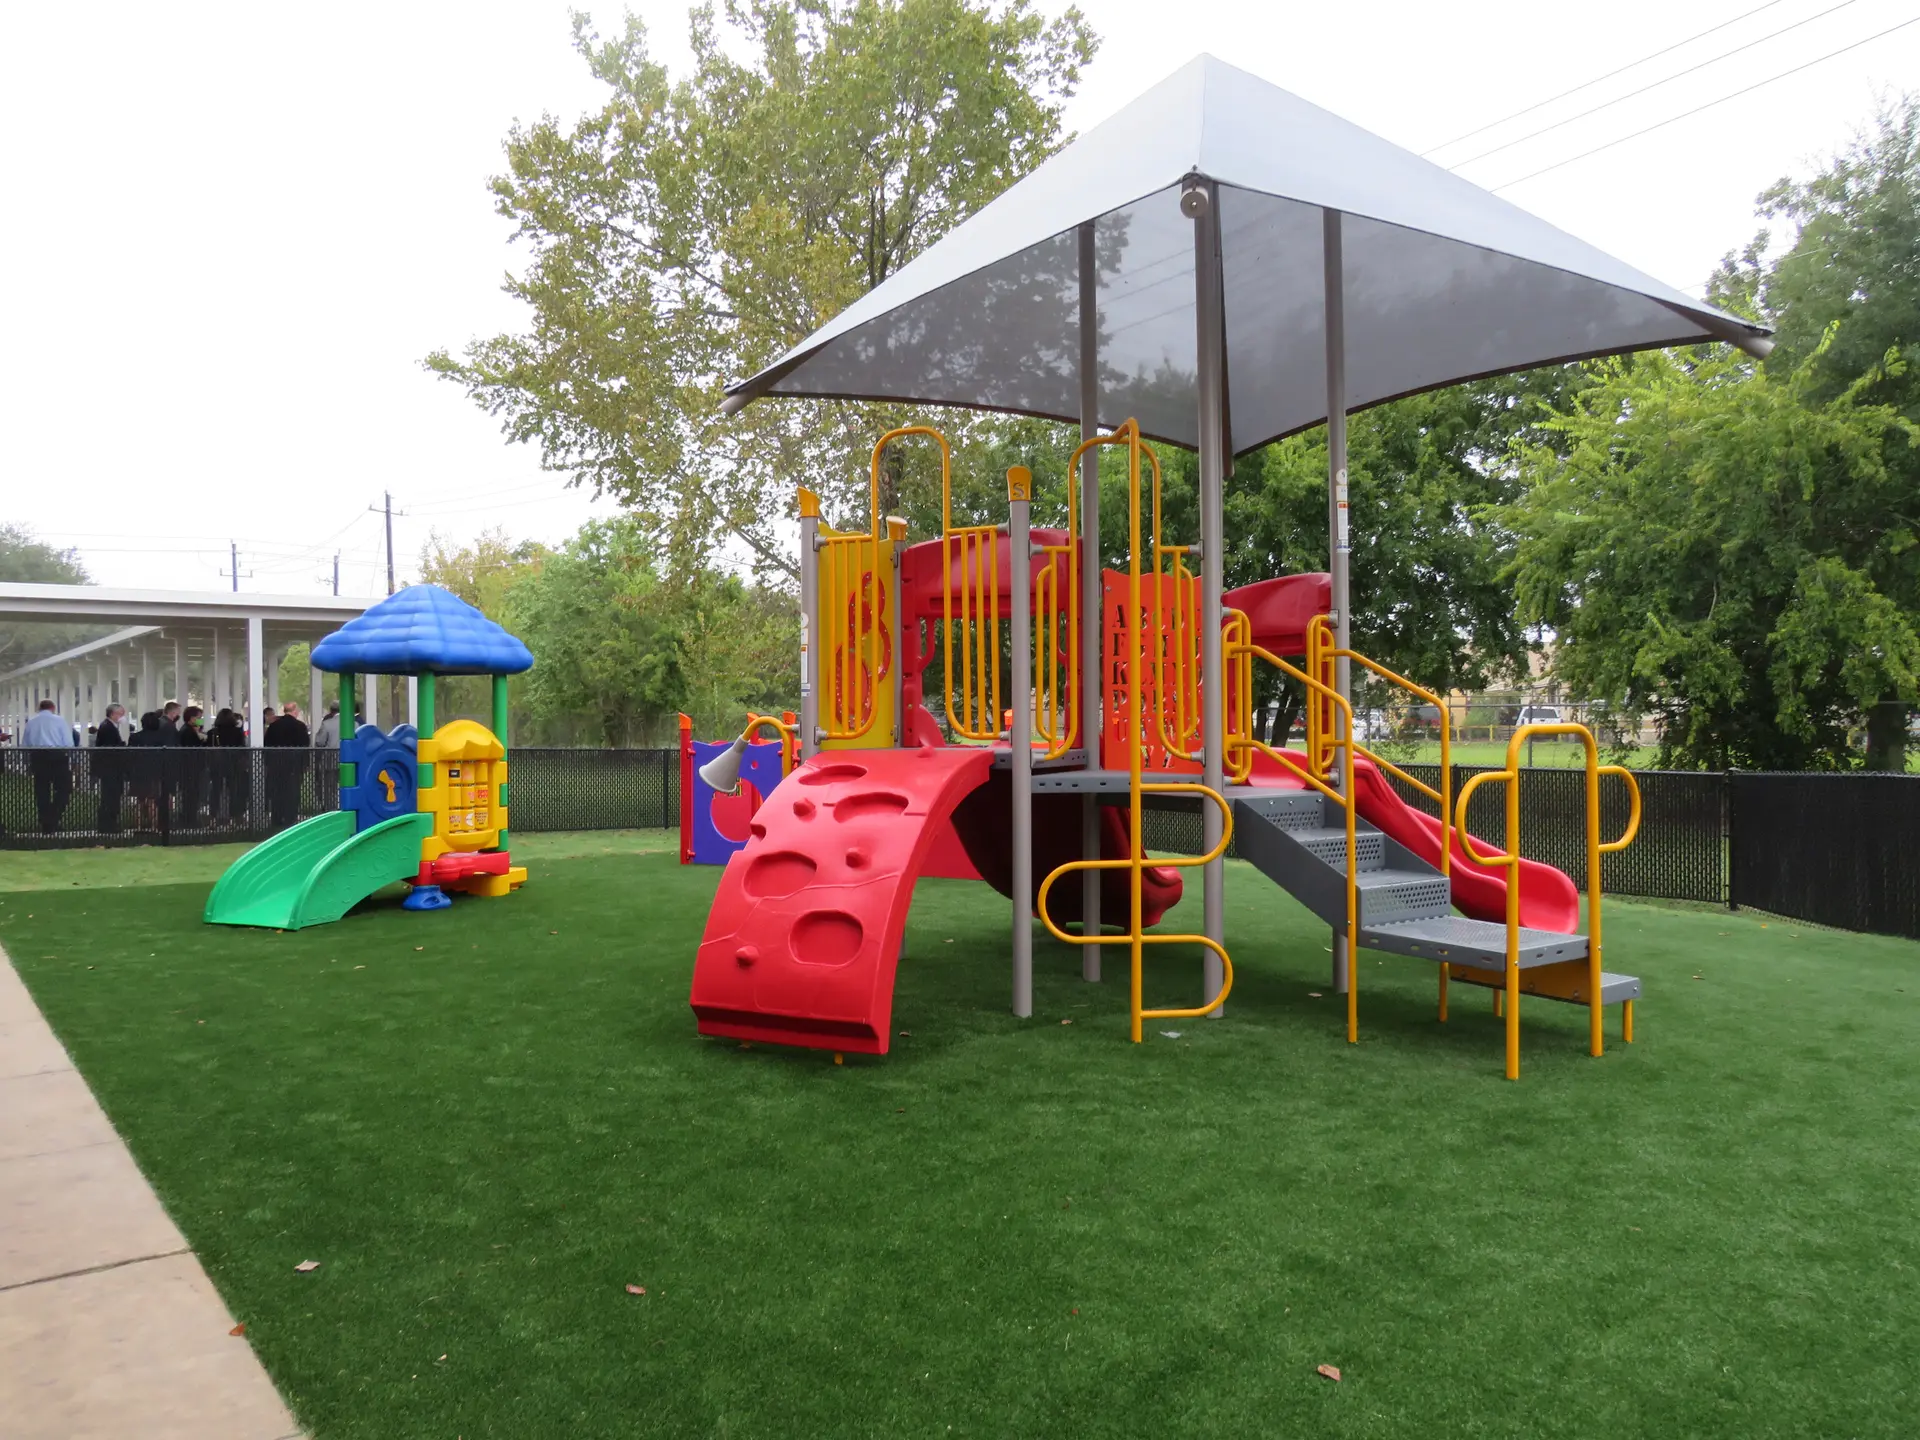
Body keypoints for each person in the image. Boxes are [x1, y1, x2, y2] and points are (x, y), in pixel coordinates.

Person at [23, 698, 75, 834]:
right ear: (53, 708)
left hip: (38, 758)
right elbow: (68, 742)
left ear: (39, 708)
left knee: (42, 792)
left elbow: (25, 744)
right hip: (57, 757)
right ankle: (53, 818)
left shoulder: (31, 722)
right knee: (64, 789)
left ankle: (46, 822)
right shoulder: (59, 721)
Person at [263, 701, 310, 830]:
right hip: (294, 765)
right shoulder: (300, 726)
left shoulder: (274, 726)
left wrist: (267, 763)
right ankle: (290, 819)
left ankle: (277, 818)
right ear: (294, 711)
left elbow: (267, 745)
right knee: (292, 792)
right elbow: (305, 746)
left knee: (277, 792)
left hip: (276, 764)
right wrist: (304, 765)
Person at [126, 711, 169, 832]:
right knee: (153, 801)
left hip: (138, 772)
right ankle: (154, 826)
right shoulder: (161, 738)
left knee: (140, 800)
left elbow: (130, 755)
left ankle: (138, 826)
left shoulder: (134, 737)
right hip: (155, 773)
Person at [207, 707, 248, 824]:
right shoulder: (237, 732)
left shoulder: (212, 733)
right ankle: (236, 816)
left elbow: (208, 749)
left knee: (215, 791)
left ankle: (213, 817)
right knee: (234, 791)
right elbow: (242, 749)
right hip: (233, 764)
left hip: (217, 765)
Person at [93, 703, 128, 833]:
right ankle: (108, 824)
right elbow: (111, 748)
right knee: (110, 797)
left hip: (110, 769)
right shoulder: (108, 727)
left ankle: (109, 823)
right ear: (113, 714)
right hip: (110, 769)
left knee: (110, 796)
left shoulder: (108, 726)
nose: (122, 717)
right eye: (121, 714)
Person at [174, 705, 208, 829]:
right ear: (192, 718)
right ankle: (189, 820)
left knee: (193, 796)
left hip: (193, 769)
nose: (201, 720)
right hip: (190, 769)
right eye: (199, 717)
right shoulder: (187, 732)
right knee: (190, 796)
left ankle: (191, 819)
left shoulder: (192, 731)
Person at [312, 702, 342, 809]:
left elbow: (320, 742)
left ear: (331, 711)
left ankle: (331, 809)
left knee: (330, 788)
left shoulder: (327, 724)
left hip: (331, 760)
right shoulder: (354, 724)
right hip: (349, 760)